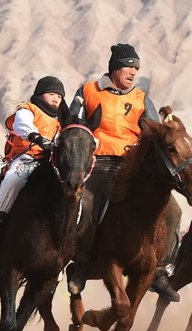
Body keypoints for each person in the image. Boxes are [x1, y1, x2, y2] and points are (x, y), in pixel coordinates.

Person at [67, 43, 181, 301]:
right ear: (115, 68)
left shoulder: (141, 99)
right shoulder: (88, 91)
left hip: (132, 167)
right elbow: (73, 125)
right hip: (98, 164)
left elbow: (154, 133)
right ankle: (82, 265)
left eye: (136, 68)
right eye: (129, 66)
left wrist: (169, 129)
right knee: (85, 204)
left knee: (174, 211)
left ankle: (160, 270)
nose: (133, 72)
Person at [0, 76, 65, 256]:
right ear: (40, 95)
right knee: (13, 180)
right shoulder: (28, 110)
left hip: (52, 162)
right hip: (27, 158)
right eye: (52, 93)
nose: (56, 98)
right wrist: (36, 137)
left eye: (59, 95)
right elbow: (22, 125)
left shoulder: (63, 119)